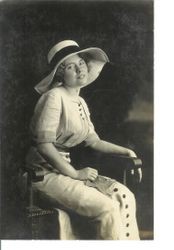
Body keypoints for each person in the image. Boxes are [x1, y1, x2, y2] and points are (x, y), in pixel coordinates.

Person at [26, 40, 142, 240]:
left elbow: (93, 141)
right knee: (107, 208)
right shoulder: (53, 97)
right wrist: (76, 173)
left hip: (64, 173)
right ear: (61, 75)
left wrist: (127, 152)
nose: (79, 69)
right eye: (71, 67)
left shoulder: (79, 101)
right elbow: (43, 145)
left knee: (124, 196)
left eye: (80, 63)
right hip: (41, 175)